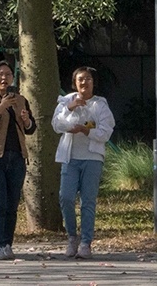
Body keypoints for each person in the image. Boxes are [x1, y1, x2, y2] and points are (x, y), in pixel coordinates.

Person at [51, 66, 114, 259]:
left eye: (88, 79)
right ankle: (72, 237)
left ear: (93, 83)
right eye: (80, 79)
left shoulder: (100, 105)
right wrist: (71, 108)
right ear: (74, 83)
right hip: (70, 158)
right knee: (66, 197)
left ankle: (86, 242)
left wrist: (86, 130)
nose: (84, 83)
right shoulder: (66, 101)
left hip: (92, 158)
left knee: (88, 201)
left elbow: (105, 131)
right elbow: (57, 125)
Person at [0, 63, 36, 261]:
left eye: (8, 74)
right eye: (0, 75)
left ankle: (7, 244)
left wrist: (27, 120)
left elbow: (30, 128)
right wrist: (2, 106)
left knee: (12, 204)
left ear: (13, 78)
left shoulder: (21, 100)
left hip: (17, 156)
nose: (4, 78)